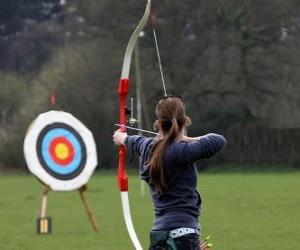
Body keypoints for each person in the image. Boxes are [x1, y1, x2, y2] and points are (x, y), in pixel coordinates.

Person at [113, 96, 226, 250]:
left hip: (159, 234)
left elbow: (128, 139)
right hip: (184, 233)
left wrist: (122, 137)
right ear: (185, 122)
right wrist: (186, 138)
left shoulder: (146, 147)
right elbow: (218, 140)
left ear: (158, 124)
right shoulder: (181, 151)